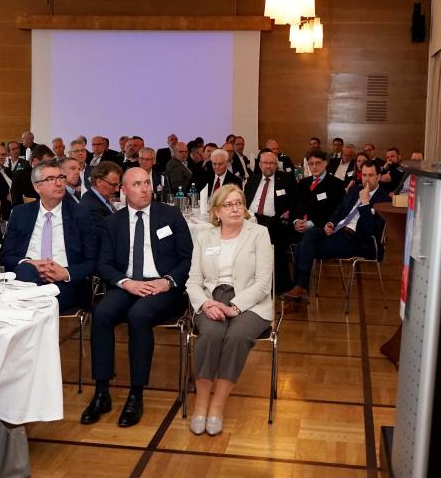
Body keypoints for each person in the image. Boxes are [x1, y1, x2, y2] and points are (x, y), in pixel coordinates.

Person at [81, 167, 192, 428]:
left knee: (138, 315)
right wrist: (126, 283)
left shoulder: (170, 215)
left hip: (163, 287)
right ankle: (101, 391)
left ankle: (136, 393)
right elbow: (104, 264)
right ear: (124, 190)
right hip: (127, 285)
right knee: (102, 314)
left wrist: (167, 282)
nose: (144, 189)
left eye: (147, 183)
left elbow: (188, 257)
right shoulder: (113, 222)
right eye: (137, 184)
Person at [185, 185, 273, 436]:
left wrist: (235, 306)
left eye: (239, 203)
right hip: (212, 298)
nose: (235, 209)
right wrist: (205, 304)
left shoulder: (259, 233)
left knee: (236, 337)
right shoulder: (205, 237)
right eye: (228, 204)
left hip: (251, 301)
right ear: (217, 212)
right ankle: (201, 403)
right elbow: (193, 281)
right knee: (211, 335)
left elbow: (263, 283)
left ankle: (217, 406)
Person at [284, 161, 390, 307]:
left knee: (304, 247)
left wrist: (365, 204)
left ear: (378, 177)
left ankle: (299, 288)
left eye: (371, 175)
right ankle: (300, 288)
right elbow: (340, 210)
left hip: (359, 240)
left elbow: (371, 230)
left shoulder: (384, 199)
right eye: (364, 175)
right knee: (309, 235)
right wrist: (331, 223)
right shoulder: (355, 190)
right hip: (338, 231)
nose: (366, 179)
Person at [0, 162, 98, 311]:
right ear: (37, 187)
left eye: (61, 177)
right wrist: (31, 263)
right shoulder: (20, 213)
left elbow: (93, 261)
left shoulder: (80, 214)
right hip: (27, 280)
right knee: (26, 271)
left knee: (26, 300)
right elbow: (6, 257)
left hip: (62, 284)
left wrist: (66, 273)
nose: (59, 183)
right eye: (51, 179)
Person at [244, 149, 297, 291]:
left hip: (274, 220)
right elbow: (244, 199)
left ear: (277, 165)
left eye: (271, 163)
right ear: (260, 165)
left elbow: (296, 200)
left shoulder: (286, 179)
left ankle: (279, 285)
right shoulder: (253, 179)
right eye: (265, 163)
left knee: (274, 238)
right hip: (250, 218)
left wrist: (290, 210)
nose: (268, 166)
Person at [80, 161, 122, 228]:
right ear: (99, 182)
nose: (117, 189)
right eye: (113, 185)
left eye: (118, 185)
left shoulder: (100, 198)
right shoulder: (91, 206)